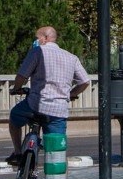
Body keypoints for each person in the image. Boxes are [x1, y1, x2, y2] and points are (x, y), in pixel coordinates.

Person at [7, 25, 90, 165]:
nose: (36, 41)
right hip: (59, 110)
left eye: (37, 37)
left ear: (45, 38)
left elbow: (22, 75)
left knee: (14, 118)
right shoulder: (71, 57)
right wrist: (71, 94)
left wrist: (16, 88)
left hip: (36, 104)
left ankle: (18, 153)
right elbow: (85, 81)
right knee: (57, 151)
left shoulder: (38, 51)